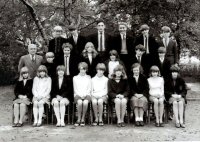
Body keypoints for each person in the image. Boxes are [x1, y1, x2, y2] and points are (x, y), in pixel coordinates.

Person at [73, 62, 92, 127]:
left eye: (84, 69)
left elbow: (89, 88)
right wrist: (81, 95)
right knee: (80, 102)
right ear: (79, 69)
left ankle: (83, 118)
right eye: (81, 69)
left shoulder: (89, 77)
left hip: (87, 94)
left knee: (85, 102)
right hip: (78, 94)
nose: (82, 71)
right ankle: (78, 118)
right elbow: (75, 89)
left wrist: (85, 95)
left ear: (86, 69)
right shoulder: (75, 78)